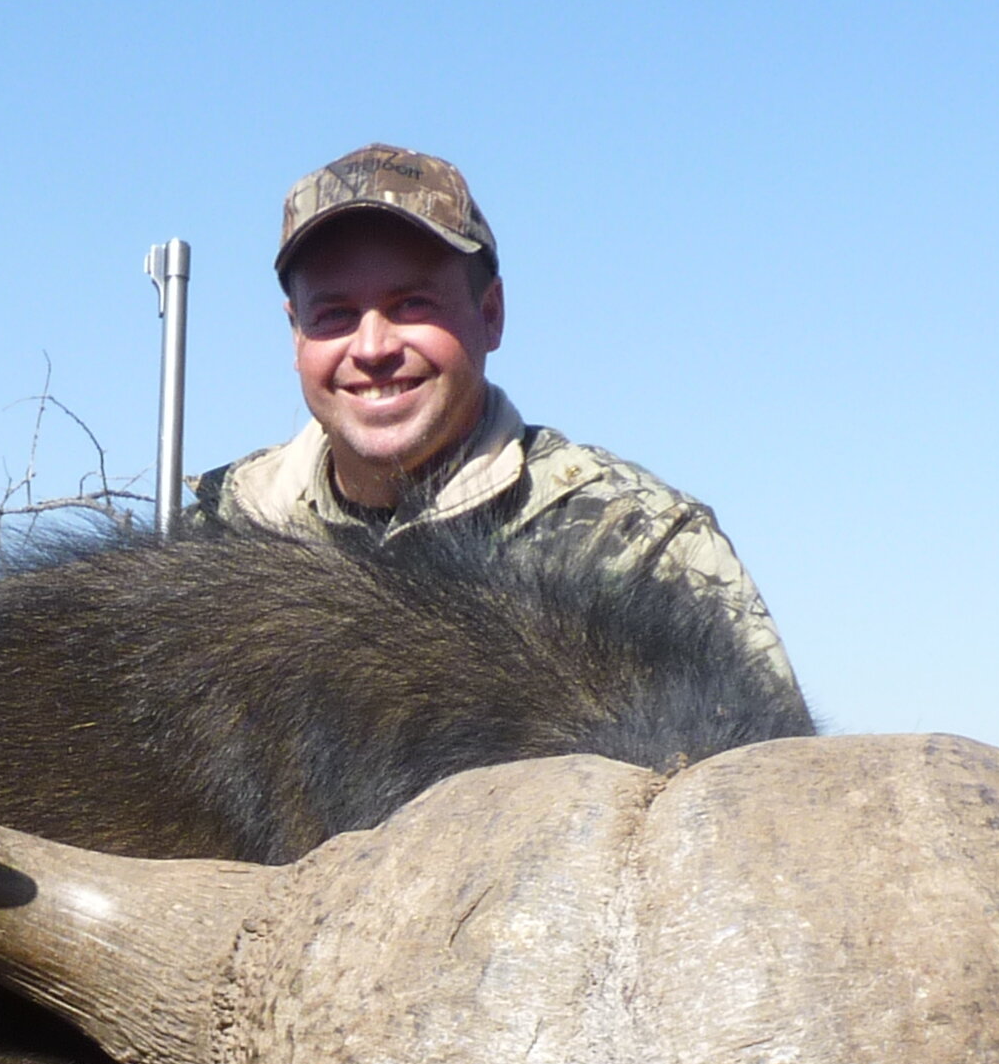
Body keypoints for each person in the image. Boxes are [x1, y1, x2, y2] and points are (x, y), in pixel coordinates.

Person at [190, 144, 801, 711]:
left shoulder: (643, 540)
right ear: (296, 336)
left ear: (491, 317)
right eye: (335, 315)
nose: (372, 347)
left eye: (412, 306)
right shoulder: (212, 536)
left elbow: (758, 790)